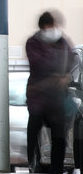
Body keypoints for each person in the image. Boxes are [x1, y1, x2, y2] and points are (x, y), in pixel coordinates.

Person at [26, 11, 74, 174]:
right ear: (42, 28)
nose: (52, 29)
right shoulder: (32, 43)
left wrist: (65, 76)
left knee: (59, 135)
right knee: (34, 124)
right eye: (48, 27)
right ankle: (33, 161)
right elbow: (39, 63)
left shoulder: (63, 42)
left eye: (53, 26)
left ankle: (57, 169)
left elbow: (70, 62)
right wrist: (56, 75)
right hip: (37, 96)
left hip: (57, 98)